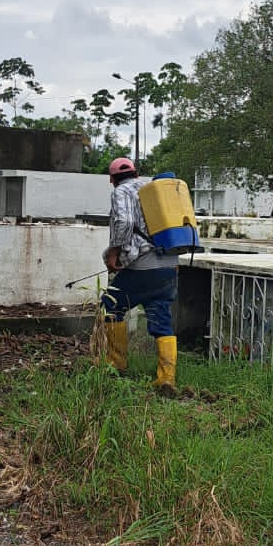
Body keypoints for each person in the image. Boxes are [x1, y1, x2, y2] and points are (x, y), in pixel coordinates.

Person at [102, 157, 179, 391]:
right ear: (136, 174)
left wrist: (113, 252)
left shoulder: (121, 191)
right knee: (160, 315)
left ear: (112, 179)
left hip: (144, 265)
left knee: (110, 304)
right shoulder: (152, 190)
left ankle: (115, 365)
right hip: (169, 264)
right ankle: (166, 378)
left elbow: (125, 221)